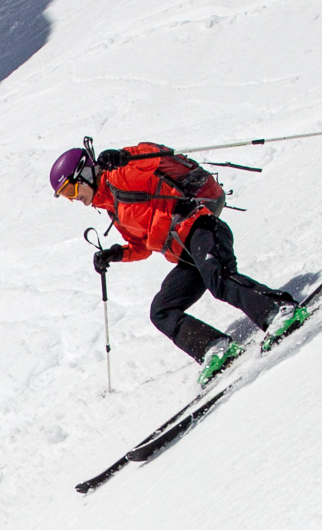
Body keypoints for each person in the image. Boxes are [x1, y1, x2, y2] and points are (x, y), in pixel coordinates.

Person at [51, 141, 308, 385]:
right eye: (65, 196)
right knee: (161, 311)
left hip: (202, 228)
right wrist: (115, 254)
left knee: (218, 279)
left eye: (71, 190)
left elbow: (155, 156)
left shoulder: (120, 177)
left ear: (84, 174)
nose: (73, 199)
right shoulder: (114, 210)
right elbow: (142, 247)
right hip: (187, 256)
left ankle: (279, 310)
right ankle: (215, 347)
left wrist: (123, 155)